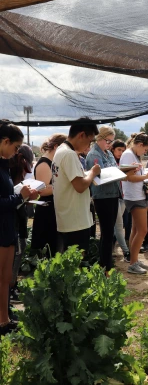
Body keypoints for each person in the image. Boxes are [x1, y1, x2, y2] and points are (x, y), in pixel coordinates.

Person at [0, 120, 37, 335]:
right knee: (2, 278)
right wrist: (19, 196)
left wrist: (19, 196)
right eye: (15, 148)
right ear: (5, 141)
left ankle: (4, 320)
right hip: (2, 230)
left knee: (5, 278)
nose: (16, 153)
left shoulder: (3, 166)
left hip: (7, 229)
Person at [86, 126, 136, 272]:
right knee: (107, 233)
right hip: (103, 197)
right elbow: (101, 176)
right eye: (108, 141)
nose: (109, 144)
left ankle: (106, 264)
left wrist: (126, 169)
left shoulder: (107, 153)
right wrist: (120, 173)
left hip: (113, 195)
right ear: (99, 138)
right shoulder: (94, 155)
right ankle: (105, 266)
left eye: (111, 142)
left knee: (109, 233)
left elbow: (114, 169)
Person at [52, 119, 101, 261]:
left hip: (68, 218)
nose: (89, 146)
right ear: (81, 135)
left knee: (70, 263)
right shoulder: (69, 154)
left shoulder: (61, 150)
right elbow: (80, 186)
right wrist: (93, 172)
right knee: (76, 263)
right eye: (90, 141)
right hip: (76, 220)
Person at [120, 132, 148, 274]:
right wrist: (146, 176)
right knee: (143, 230)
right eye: (145, 149)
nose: (145, 152)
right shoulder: (128, 154)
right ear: (140, 145)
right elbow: (127, 177)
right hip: (134, 197)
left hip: (138, 195)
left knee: (136, 230)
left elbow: (133, 174)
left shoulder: (133, 154)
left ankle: (135, 259)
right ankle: (133, 263)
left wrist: (145, 175)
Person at [31, 133, 67, 259]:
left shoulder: (53, 162)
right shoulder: (44, 164)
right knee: (48, 250)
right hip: (46, 211)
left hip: (54, 210)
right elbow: (43, 190)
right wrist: (64, 185)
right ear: (56, 147)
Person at [8, 144, 35, 303]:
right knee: (16, 252)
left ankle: (12, 285)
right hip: (13, 221)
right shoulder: (12, 170)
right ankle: (9, 289)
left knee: (20, 248)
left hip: (19, 217)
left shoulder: (15, 169)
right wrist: (21, 197)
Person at [111, 139, 130, 262]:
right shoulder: (110, 162)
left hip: (123, 197)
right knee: (118, 226)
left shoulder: (123, 162)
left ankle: (112, 249)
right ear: (112, 149)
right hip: (113, 197)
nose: (121, 153)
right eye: (119, 150)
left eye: (123, 151)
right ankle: (126, 252)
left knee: (116, 225)